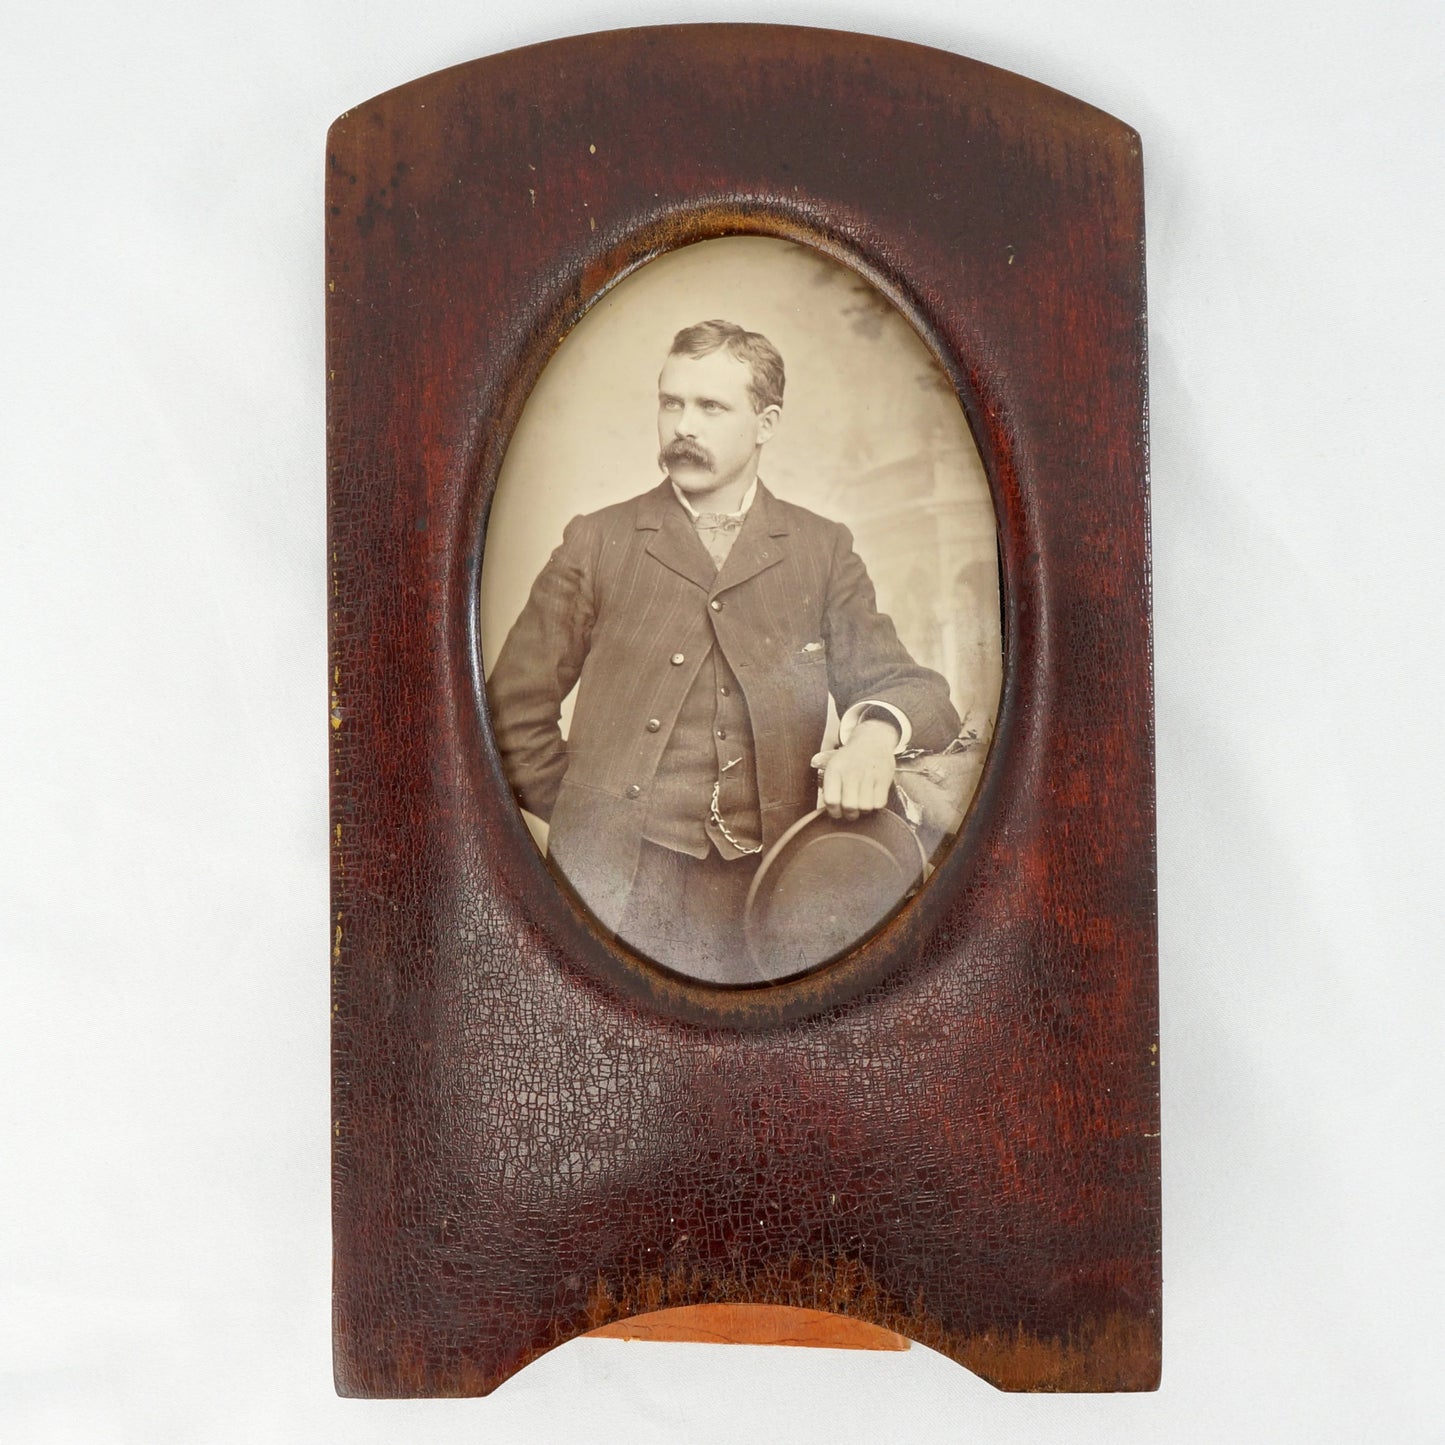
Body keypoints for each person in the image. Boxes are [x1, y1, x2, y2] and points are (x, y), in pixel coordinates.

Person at [487, 320, 960, 983]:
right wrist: (590, 814)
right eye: (670, 402)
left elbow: (915, 689)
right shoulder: (596, 540)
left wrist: (874, 737)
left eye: (710, 407)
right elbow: (508, 715)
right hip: (616, 895)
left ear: (765, 422)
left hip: (774, 892)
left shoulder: (820, 549)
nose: (683, 424)